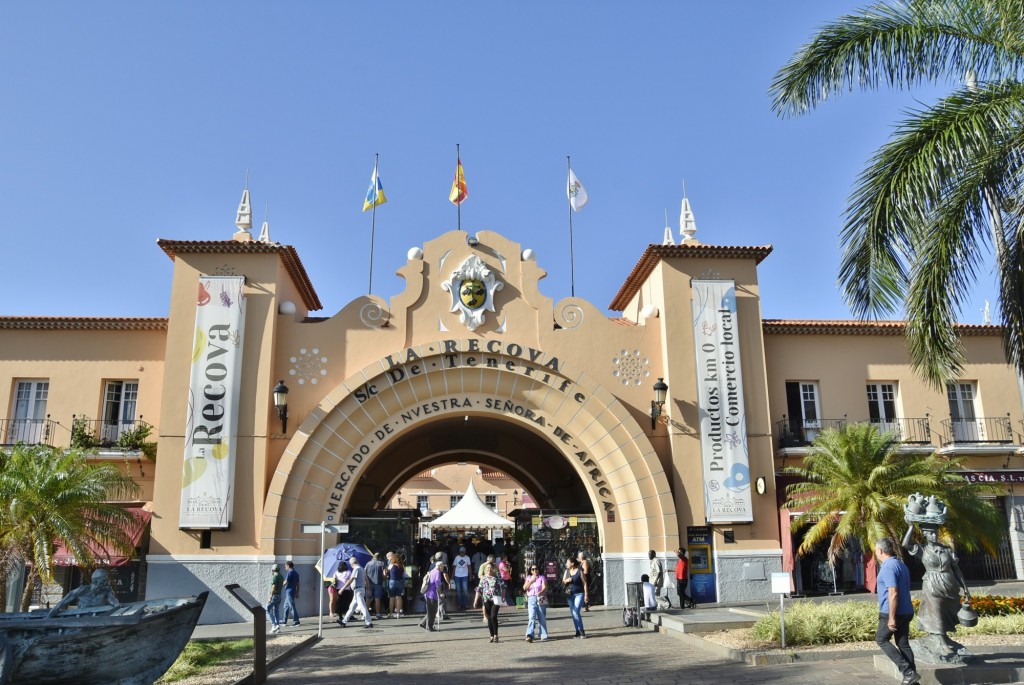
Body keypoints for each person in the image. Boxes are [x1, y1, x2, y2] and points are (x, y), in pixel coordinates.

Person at [903, 519, 972, 660]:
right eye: (930, 533)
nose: (933, 535)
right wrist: (911, 526)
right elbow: (905, 544)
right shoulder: (922, 550)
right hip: (931, 584)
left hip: (949, 584)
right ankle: (941, 643)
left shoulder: (947, 550)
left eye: (935, 532)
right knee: (936, 611)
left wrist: (965, 588)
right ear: (925, 535)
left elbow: (956, 569)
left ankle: (943, 637)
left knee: (947, 612)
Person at [875, 537, 920, 685]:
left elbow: (893, 592)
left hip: (893, 612)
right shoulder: (901, 564)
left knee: (881, 639)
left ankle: (907, 671)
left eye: (876, 550)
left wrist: (891, 618)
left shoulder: (888, 567)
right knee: (903, 643)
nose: (875, 553)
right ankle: (912, 679)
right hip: (907, 610)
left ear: (881, 551)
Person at [48, 569, 120, 616]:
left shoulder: (106, 591)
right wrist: (47, 618)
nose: (106, 582)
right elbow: (61, 604)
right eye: (103, 580)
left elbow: (115, 604)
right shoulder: (82, 590)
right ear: (95, 581)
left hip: (98, 622)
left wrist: (110, 592)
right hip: (81, 622)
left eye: (107, 580)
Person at [337, 557, 373, 628]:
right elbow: (366, 579)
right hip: (359, 590)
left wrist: (342, 589)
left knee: (362, 606)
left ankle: (369, 622)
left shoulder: (356, 569)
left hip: (358, 590)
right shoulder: (361, 568)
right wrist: (368, 589)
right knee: (352, 607)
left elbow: (351, 579)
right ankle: (344, 621)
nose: (351, 566)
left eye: (351, 564)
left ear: (352, 563)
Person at [474, 562, 502, 642]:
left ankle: (496, 634)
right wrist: (475, 600)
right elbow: (479, 589)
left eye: (490, 567)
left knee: (493, 616)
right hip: (486, 599)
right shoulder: (483, 578)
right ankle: (492, 635)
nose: (489, 569)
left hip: (495, 599)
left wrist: (503, 597)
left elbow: (503, 586)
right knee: (489, 618)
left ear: (493, 569)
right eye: (487, 568)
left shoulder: (497, 577)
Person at [523, 563, 548, 642]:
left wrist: (541, 591)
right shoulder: (529, 578)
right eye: (533, 569)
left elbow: (545, 586)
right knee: (532, 616)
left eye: (536, 569)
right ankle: (530, 634)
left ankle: (543, 634)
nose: (535, 570)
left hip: (541, 597)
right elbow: (525, 588)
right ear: (531, 570)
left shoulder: (542, 577)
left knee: (542, 616)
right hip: (532, 598)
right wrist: (531, 581)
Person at [563, 556, 587, 638]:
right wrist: (567, 580)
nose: (566, 564)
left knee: (576, 612)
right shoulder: (567, 571)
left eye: (567, 562)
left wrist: (586, 594)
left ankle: (581, 631)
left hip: (579, 594)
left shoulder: (579, 571)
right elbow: (563, 582)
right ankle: (577, 631)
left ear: (572, 563)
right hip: (570, 595)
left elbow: (585, 583)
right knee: (573, 614)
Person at [418, 560, 446, 632]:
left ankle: (423, 623)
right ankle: (430, 627)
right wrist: (440, 593)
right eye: (443, 566)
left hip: (428, 594)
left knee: (431, 611)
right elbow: (437, 584)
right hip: (432, 594)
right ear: (440, 566)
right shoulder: (437, 573)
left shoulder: (432, 571)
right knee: (433, 611)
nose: (443, 568)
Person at [365, 552, 387, 620]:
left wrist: (365, 582)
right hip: (378, 583)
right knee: (377, 599)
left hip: (369, 583)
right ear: (379, 557)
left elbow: (364, 573)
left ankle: (365, 614)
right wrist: (384, 578)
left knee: (368, 599)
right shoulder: (382, 564)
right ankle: (378, 614)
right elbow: (384, 574)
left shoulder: (368, 563)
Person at [387, 552, 406, 618]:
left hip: (392, 581)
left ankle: (391, 613)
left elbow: (387, 572)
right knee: (399, 597)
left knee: (392, 598)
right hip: (400, 581)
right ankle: (398, 613)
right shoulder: (402, 566)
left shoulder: (391, 565)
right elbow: (404, 574)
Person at [266, 564, 284, 633]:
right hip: (279, 595)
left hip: (274, 596)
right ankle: (278, 627)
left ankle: (274, 625)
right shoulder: (281, 576)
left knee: (267, 609)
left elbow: (273, 587)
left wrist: (270, 596)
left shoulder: (274, 577)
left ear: (273, 570)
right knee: (276, 611)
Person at [282, 560, 300, 627]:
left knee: (292, 606)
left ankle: (296, 621)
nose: (285, 568)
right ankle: (284, 621)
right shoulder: (296, 573)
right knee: (286, 606)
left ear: (288, 566)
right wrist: (297, 592)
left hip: (289, 592)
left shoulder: (290, 572)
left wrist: (281, 585)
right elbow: (298, 584)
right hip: (292, 591)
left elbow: (286, 581)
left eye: (285, 566)